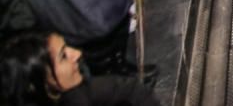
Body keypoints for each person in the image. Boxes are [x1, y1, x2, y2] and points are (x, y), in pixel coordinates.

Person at [0, 31, 160, 106]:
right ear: (41, 81)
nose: (77, 54)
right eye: (63, 56)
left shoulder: (81, 91)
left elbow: (132, 90)